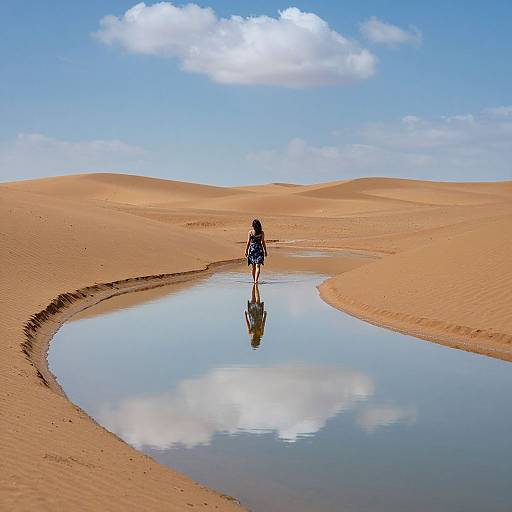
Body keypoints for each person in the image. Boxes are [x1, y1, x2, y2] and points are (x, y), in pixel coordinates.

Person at [244, 283, 267, 349]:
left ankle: (255, 287)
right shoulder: (252, 332)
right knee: (254, 298)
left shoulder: (259, 333)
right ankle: (255, 287)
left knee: (257, 299)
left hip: (257, 315)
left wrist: (265, 315)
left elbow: (263, 324)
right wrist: (245, 315)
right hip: (253, 314)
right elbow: (248, 323)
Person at [244, 219, 267, 284]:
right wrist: (265, 250)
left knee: (253, 267)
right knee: (258, 266)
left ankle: (255, 280)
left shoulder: (250, 232)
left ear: (253, 226)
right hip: (259, 249)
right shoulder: (261, 233)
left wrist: (246, 250)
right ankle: (256, 280)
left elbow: (248, 242)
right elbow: (263, 242)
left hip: (252, 250)